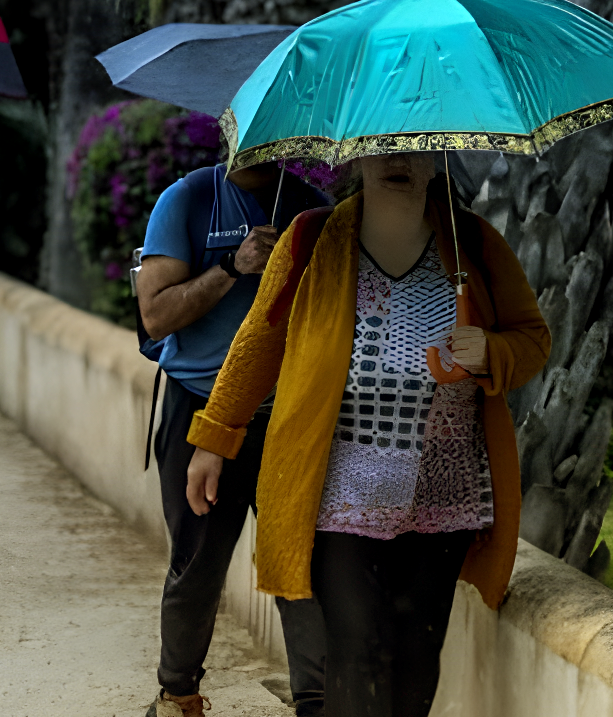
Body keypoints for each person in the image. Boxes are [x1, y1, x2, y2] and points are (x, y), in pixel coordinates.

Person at [184, 152, 550, 717]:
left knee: (417, 651)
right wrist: (213, 438)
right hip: (341, 490)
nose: (400, 160)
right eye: (385, 147)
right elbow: (258, 343)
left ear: (438, 161)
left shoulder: (472, 241)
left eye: (417, 147)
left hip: (443, 492)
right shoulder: (312, 239)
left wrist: (491, 351)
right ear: (357, 155)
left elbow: (532, 339)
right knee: (359, 649)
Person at [135, 160, 330, 717]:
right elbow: (154, 315)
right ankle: (178, 695)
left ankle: (315, 701)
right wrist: (233, 265)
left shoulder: (313, 210)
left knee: (300, 557)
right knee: (197, 560)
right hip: (197, 408)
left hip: (286, 413)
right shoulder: (190, 199)